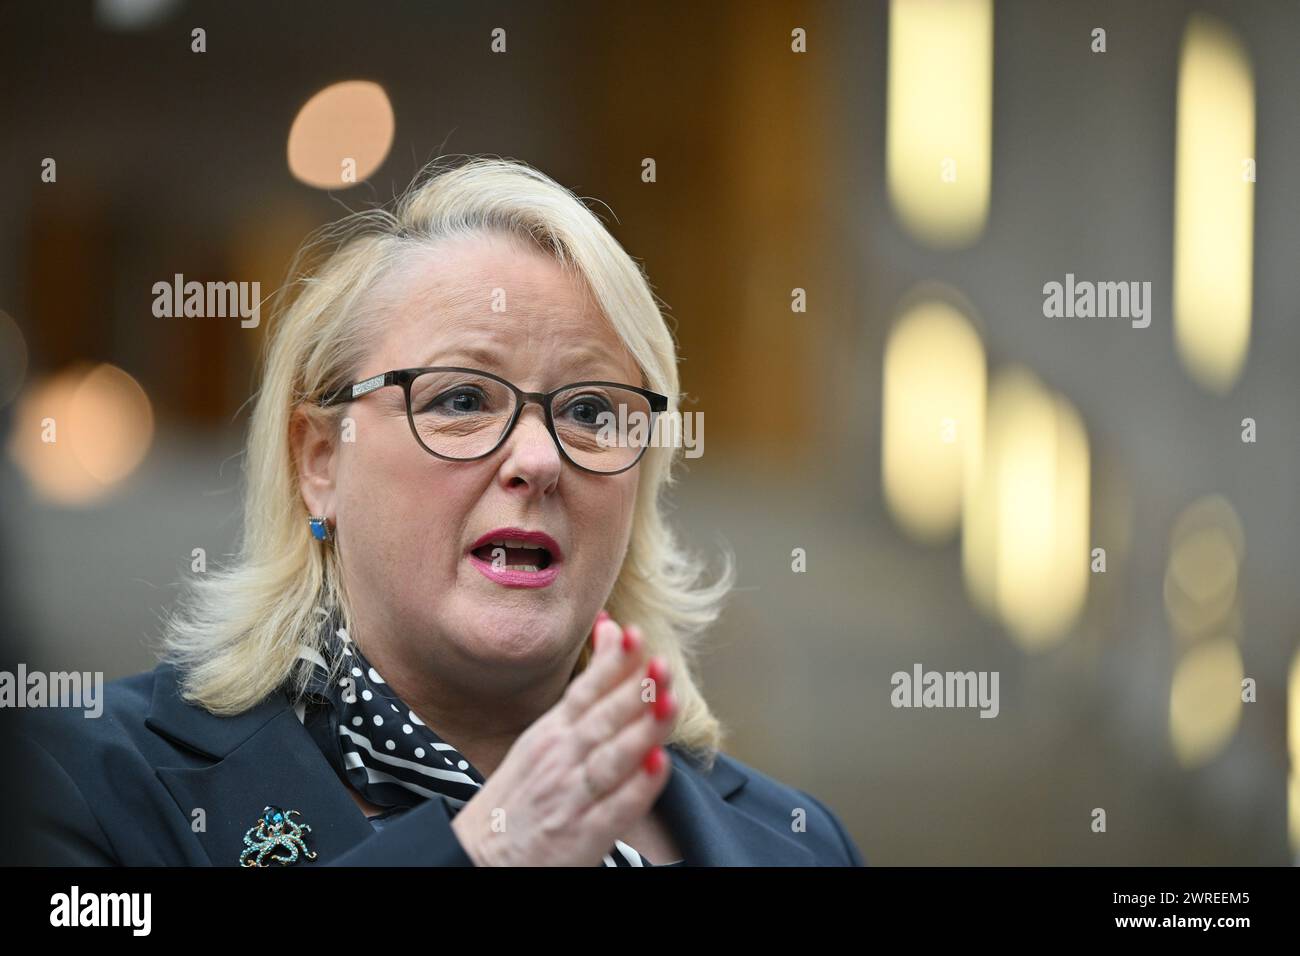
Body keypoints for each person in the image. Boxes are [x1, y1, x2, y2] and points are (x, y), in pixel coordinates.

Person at [4, 157, 865, 867]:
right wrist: (489, 850)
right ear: (318, 461)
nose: (537, 459)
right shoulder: (83, 784)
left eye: (593, 413)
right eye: (460, 399)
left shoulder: (800, 844)